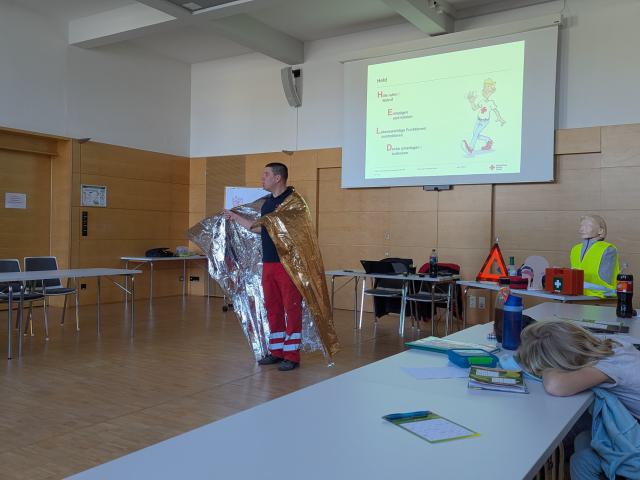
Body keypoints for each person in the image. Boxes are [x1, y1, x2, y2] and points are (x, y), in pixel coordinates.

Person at [516, 321, 640, 479]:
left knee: (581, 462)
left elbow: (555, 385)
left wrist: (544, 367)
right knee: (582, 439)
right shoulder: (612, 346)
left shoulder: (607, 367)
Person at [224, 163, 302, 371]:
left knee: (291, 308)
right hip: (269, 264)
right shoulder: (268, 204)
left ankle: (292, 355)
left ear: (277, 178)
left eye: (266, 174)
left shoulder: (293, 202)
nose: (262, 178)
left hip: (287, 265)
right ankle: (276, 351)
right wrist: (234, 217)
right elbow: (260, 229)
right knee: (273, 308)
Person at [570, 215, 620, 298]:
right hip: (576, 293)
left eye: (588, 226)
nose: (581, 229)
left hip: (599, 295)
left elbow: (606, 281)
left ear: (600, 230)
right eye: (581, 226)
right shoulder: (575, 249)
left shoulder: (608, 249)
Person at [462, 78, 506, 155]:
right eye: (484, 91)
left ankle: (471, 148)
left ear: (491, 93)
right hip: (478, 120)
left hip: (484, 121)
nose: (484, 92)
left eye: (487, 92)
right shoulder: (482, 101)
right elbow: (474, 108)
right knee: (475, 134)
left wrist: (499, 118)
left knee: (476, 134)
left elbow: (496, 111)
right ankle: (489, 141)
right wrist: (472, 102)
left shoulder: (491, 103)